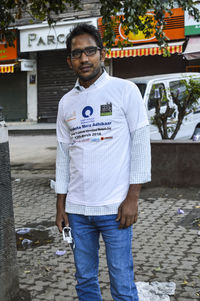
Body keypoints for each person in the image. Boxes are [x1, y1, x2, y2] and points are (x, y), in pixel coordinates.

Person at [55, 23, 151, 301]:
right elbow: (63, 156)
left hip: (116, 210)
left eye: (90, 51)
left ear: (102, 54)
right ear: (70, 60)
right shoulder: (65, 103)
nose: (84, 59)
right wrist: (61, 206)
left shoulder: (125, 90)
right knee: (84, 280)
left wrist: (133, 198)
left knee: (122, 282)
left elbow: (141, 145)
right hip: (77, 212)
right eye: (76, 53)